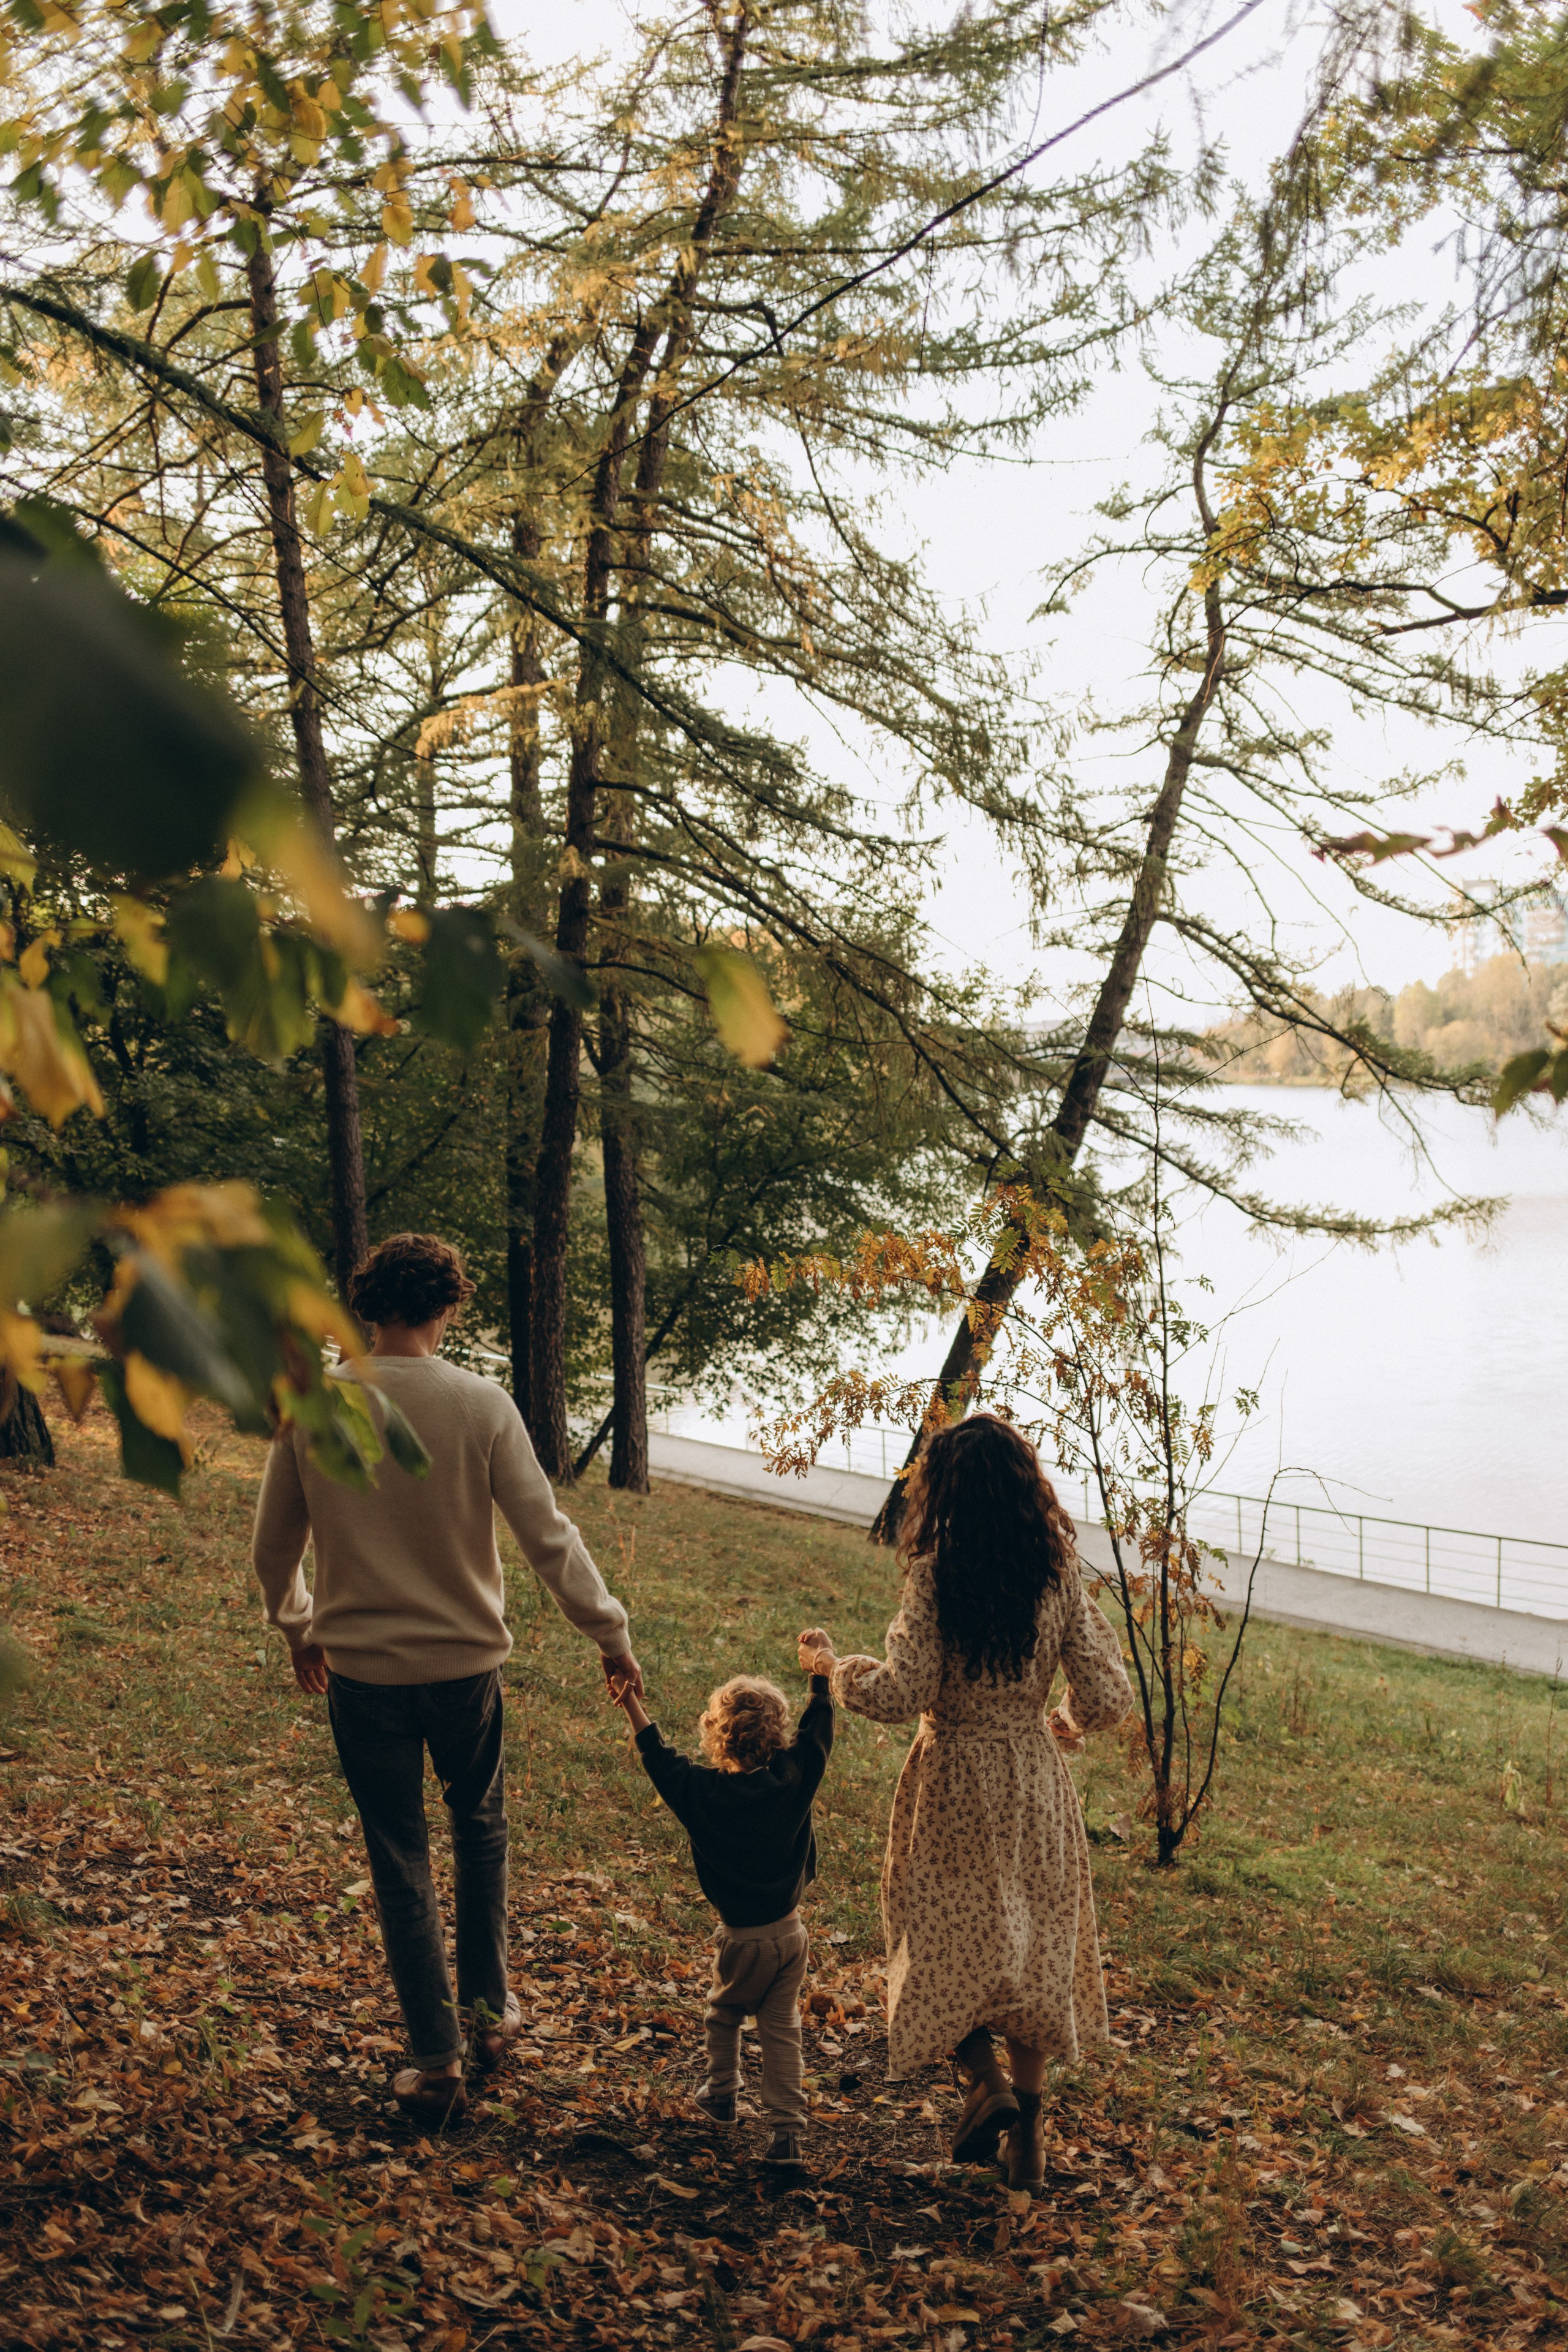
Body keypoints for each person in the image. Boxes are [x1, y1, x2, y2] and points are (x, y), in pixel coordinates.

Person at [251, 1231, 642, 2123]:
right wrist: (608, 1633)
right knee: (480, 1831)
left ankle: (436, 2063)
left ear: (366, 1308)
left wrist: (298, 1625)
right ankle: (489, 2017)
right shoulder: (481, 1404)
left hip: (363, 1673)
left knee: (398, 1857)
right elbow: (549, 1537)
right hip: (467, 1668)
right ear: (448, 1307)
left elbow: (275, 1547)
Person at [797, 1414, 1132, 2192]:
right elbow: (1110, 1695)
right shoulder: (1059, 1574)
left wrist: (834, 1667)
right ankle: (1030, 2140)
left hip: (952, 1781)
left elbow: (902, 1690)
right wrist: (1065, 1721)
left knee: (940, 1933)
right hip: (1034, 1783)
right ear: (1025, 1488)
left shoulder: (936, 1575)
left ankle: (983, 2078)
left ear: (945, 1490)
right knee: (1032, 1947)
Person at [609, 1665, 834, 2171]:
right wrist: (821, 1679)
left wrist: (631, 1704)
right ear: (777, 1735)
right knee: (781, 2030)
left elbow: (658, 1759)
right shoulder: (793, 1779)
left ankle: (722, 2095)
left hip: (743, 1941)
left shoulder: (700, 1793)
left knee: (724, 2013)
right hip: (791, 1934)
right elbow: (817, 1737)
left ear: (716, 1736)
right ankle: (787, 2136)